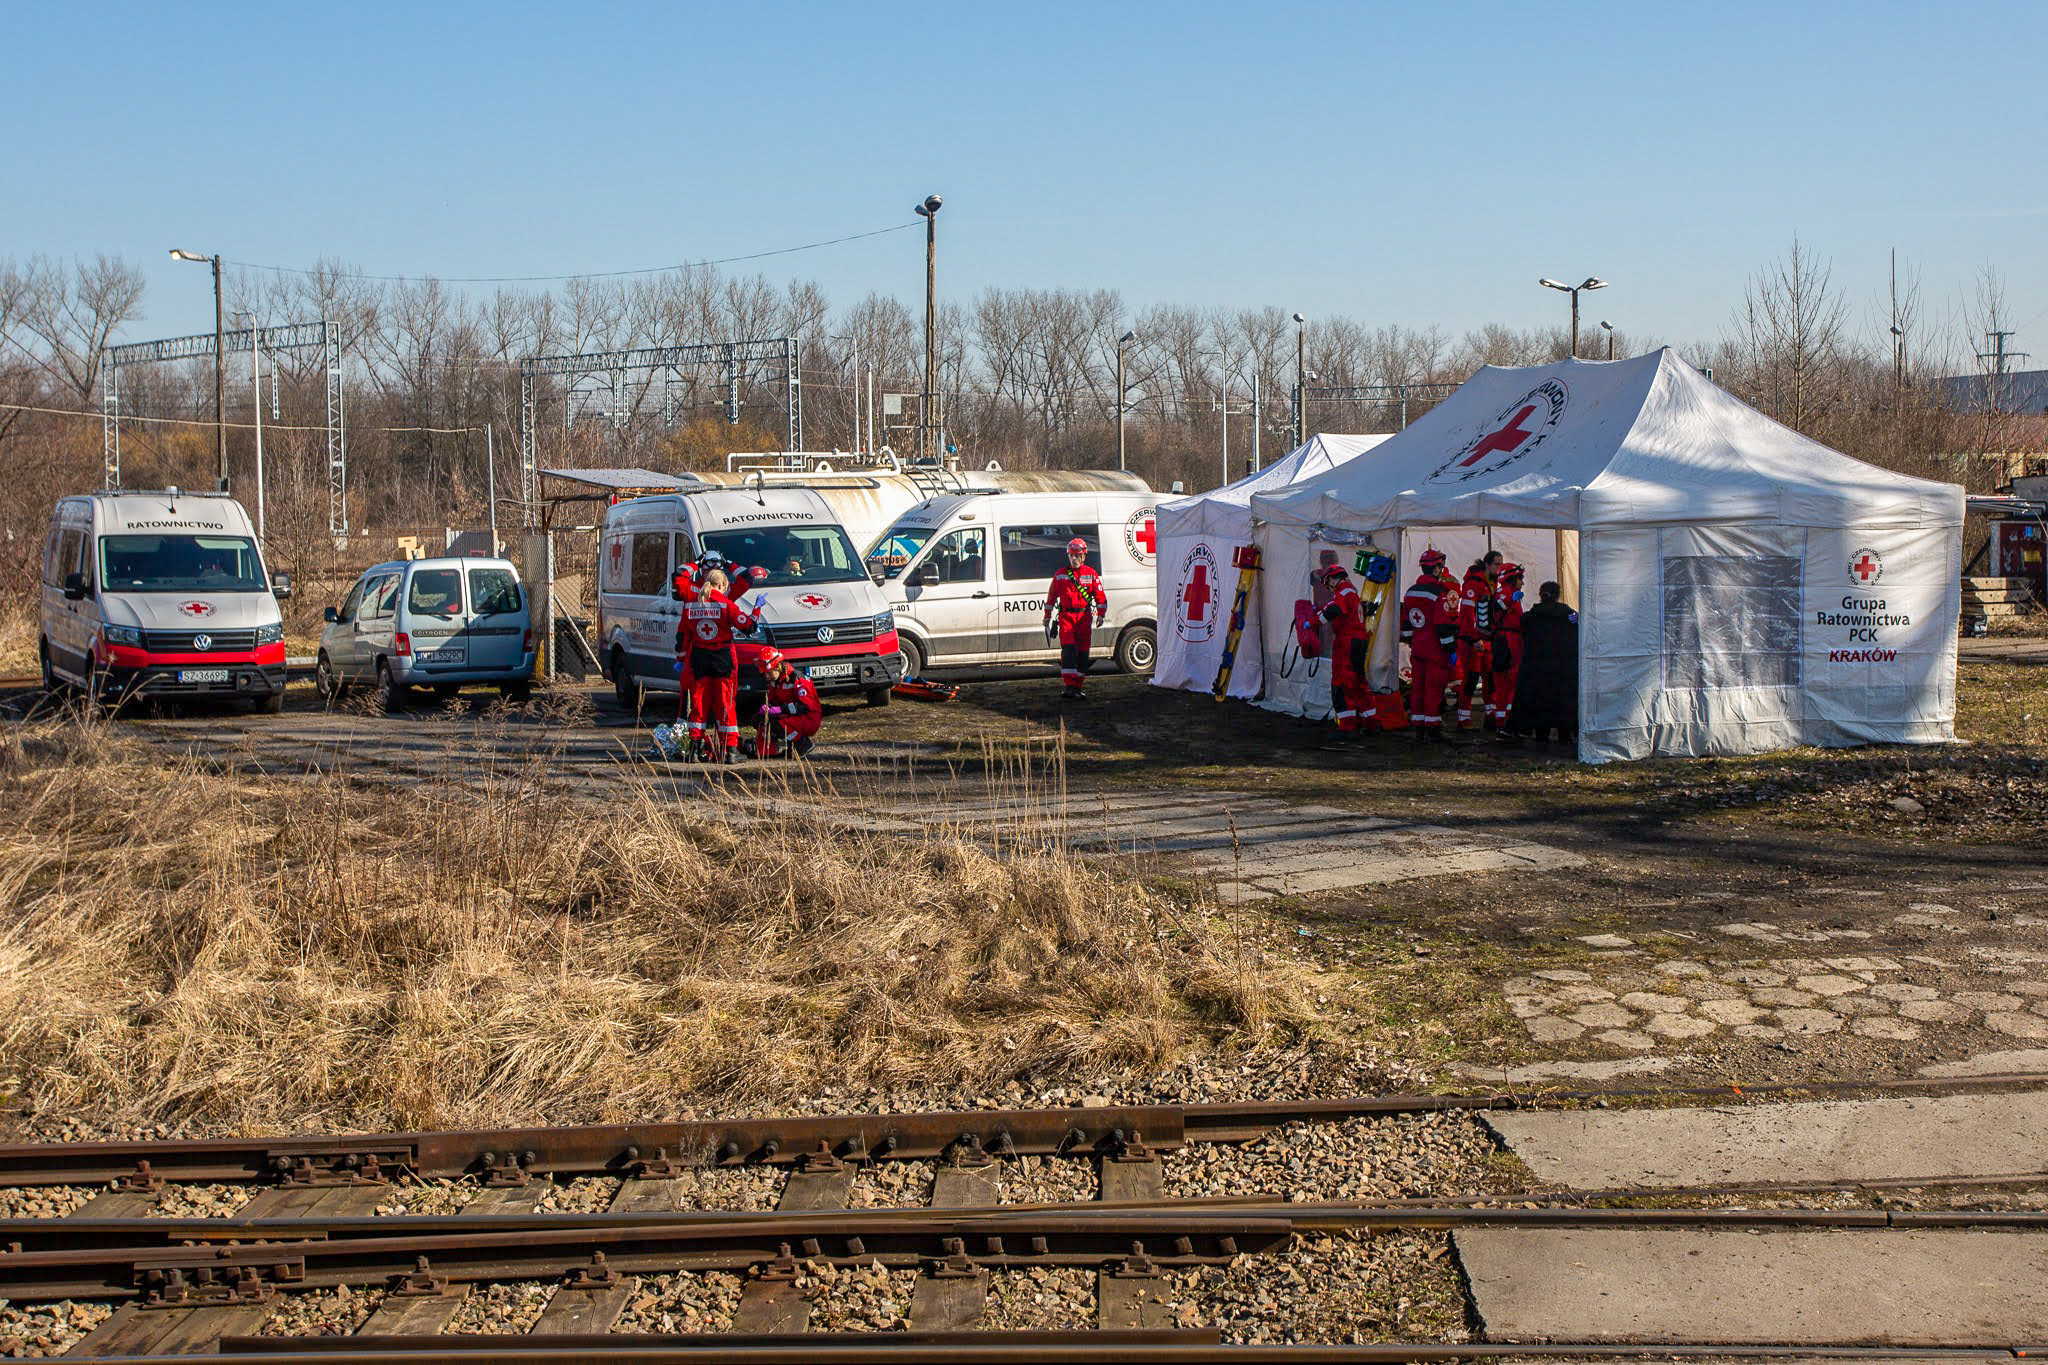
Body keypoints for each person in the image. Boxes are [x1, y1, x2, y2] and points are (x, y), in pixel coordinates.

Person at [681, 565, 757, 763]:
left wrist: (681, 659)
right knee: (726, 704)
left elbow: (683, 635)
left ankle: (695, 751)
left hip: (699, 658)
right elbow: (749, 626)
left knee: (698, 704)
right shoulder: (725, 604)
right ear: (723, 585)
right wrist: (756, 610)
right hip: (722, 658)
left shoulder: (691, 605)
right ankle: (730, 751)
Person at [1398, 548, 1461, 743]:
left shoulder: (1410, 592)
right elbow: (1443, 624)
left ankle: (1418, 728)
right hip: (1435, 649)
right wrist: (1450, 649)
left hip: (1417, 648)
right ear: (1437, 568)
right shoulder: (1438, 593)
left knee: (1418, 688)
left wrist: (1411, 640)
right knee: (1434, 689)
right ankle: (1433, 727)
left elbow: (1406, 624)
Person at [1511, 580, 1579, 745]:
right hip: (1561, 669)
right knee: (1563, 702)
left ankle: (1541, 735)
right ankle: (1565, 735)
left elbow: (1521, 629)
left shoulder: (1531, 616)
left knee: (1539, 702)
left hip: (1537, 669)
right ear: (1557, 595)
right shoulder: (1567, 615)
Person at [1043, 537, 1108, 700]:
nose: (1074, 558)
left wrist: (1101, 615)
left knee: (1083, 654)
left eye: (1077, 555)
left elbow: (1101, 596)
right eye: (1071, 555)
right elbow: (1051, 597)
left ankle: (1077, 686)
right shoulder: (1060, 575)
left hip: (1084, 618)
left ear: (1084, 556)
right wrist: (1047, 617)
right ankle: (1069, 686)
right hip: (1066, 617)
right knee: (1069, 651)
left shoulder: (1091, 575)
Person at [1316, 562, 1373, 733]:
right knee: (1358, 683)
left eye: (1328, 583)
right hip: (1358, 640)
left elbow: (1333, 610)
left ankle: (1348, 727)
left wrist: (1313, 621)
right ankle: (1370, 723)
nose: (1329, 588)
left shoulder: (1343, 592)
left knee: (1342, 683)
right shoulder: (1352, 593)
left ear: (1333, 579)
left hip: (1347, 642)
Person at [1456, 553, 1504, 728]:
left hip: (1487, 638)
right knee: (1471, 678)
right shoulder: (1473, 584)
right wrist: (1474, 638)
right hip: (1471, 640)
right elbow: (1467, 615)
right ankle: (1463, 717)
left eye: (1500, 565)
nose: (1499, 569)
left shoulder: (1492, 583)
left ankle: (1490, 713)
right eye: (1496, 565)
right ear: (1487, 564)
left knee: (1490, 677)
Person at [751, 648, 822, 758]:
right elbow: (771, 700)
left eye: (769, 673)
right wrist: (767, 707)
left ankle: (802, 743)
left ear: (778, 667)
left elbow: (805, 707)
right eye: (765, 674)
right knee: (759, 720)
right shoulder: (776, 681)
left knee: (776, 724)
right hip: (793, 716)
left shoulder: (797, 679)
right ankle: (777, 747)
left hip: (809, 718)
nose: (767, 677)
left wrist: (780, 709)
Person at [1487, 563, 1526, 737]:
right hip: (1508, 641)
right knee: (1511, 682)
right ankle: (1509, 724)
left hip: (1504, 640)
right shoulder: (1505, 592)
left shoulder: (1506, 592)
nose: (1523, 583)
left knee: (1503, 683)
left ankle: (1502, 722)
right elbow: (1500, 605)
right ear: (1513, 578)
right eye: (1521, 578)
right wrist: (1512, 599)